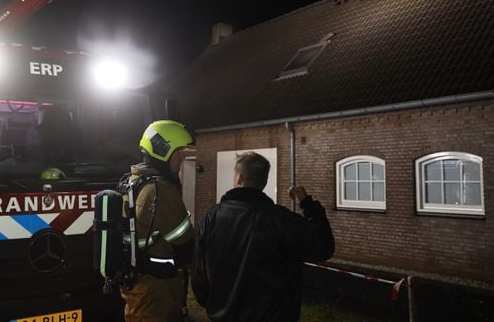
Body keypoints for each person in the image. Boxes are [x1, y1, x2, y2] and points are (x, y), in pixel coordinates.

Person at [191, 151, 335, 322]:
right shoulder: (281, 220)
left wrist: (214, 305)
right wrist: (308, 204)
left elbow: (199, 277)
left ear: (239, 178)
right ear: (264, 181)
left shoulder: (211, 218)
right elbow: (323, 247)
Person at [120, 120, 196, 322]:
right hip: (157, 293)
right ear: (162, 152)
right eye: (178, 151)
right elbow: (186, 245)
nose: (183, 157)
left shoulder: (134, 182)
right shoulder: (160, 191)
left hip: (140, 289)